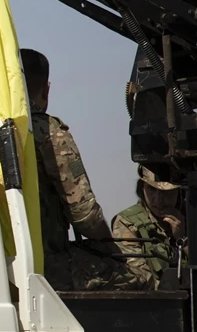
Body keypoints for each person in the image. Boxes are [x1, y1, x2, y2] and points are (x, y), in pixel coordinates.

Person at [21, 47, 151, 291]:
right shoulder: (49, 133)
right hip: (45, 267)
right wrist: (110, 246)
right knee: (143, 276)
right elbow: (86, 216)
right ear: (46, 90)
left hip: (1, 264)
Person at [111, 165, 187, 289]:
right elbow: (138, 278)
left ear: (180, 191)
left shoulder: (195, 219)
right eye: (151, 189)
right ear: (142, 188)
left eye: (166, 192)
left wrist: (183, 239)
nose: (158, 199)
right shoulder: (128, 222)